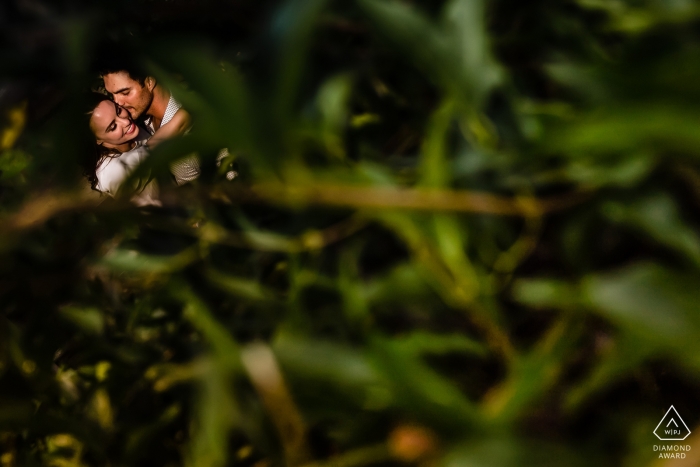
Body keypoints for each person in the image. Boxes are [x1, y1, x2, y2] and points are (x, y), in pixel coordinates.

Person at [100, 66, 199, 185]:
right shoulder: (141, 118)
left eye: (125, 93)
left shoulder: (186, 135)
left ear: (150, 82)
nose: (118, 103)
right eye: (112, 95)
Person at [83, 93, 189, 205]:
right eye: (113, 127)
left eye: (118, 111)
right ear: (98, 140)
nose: (126, 122)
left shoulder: (130, 134)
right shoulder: (114, 170)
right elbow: (180, 123)